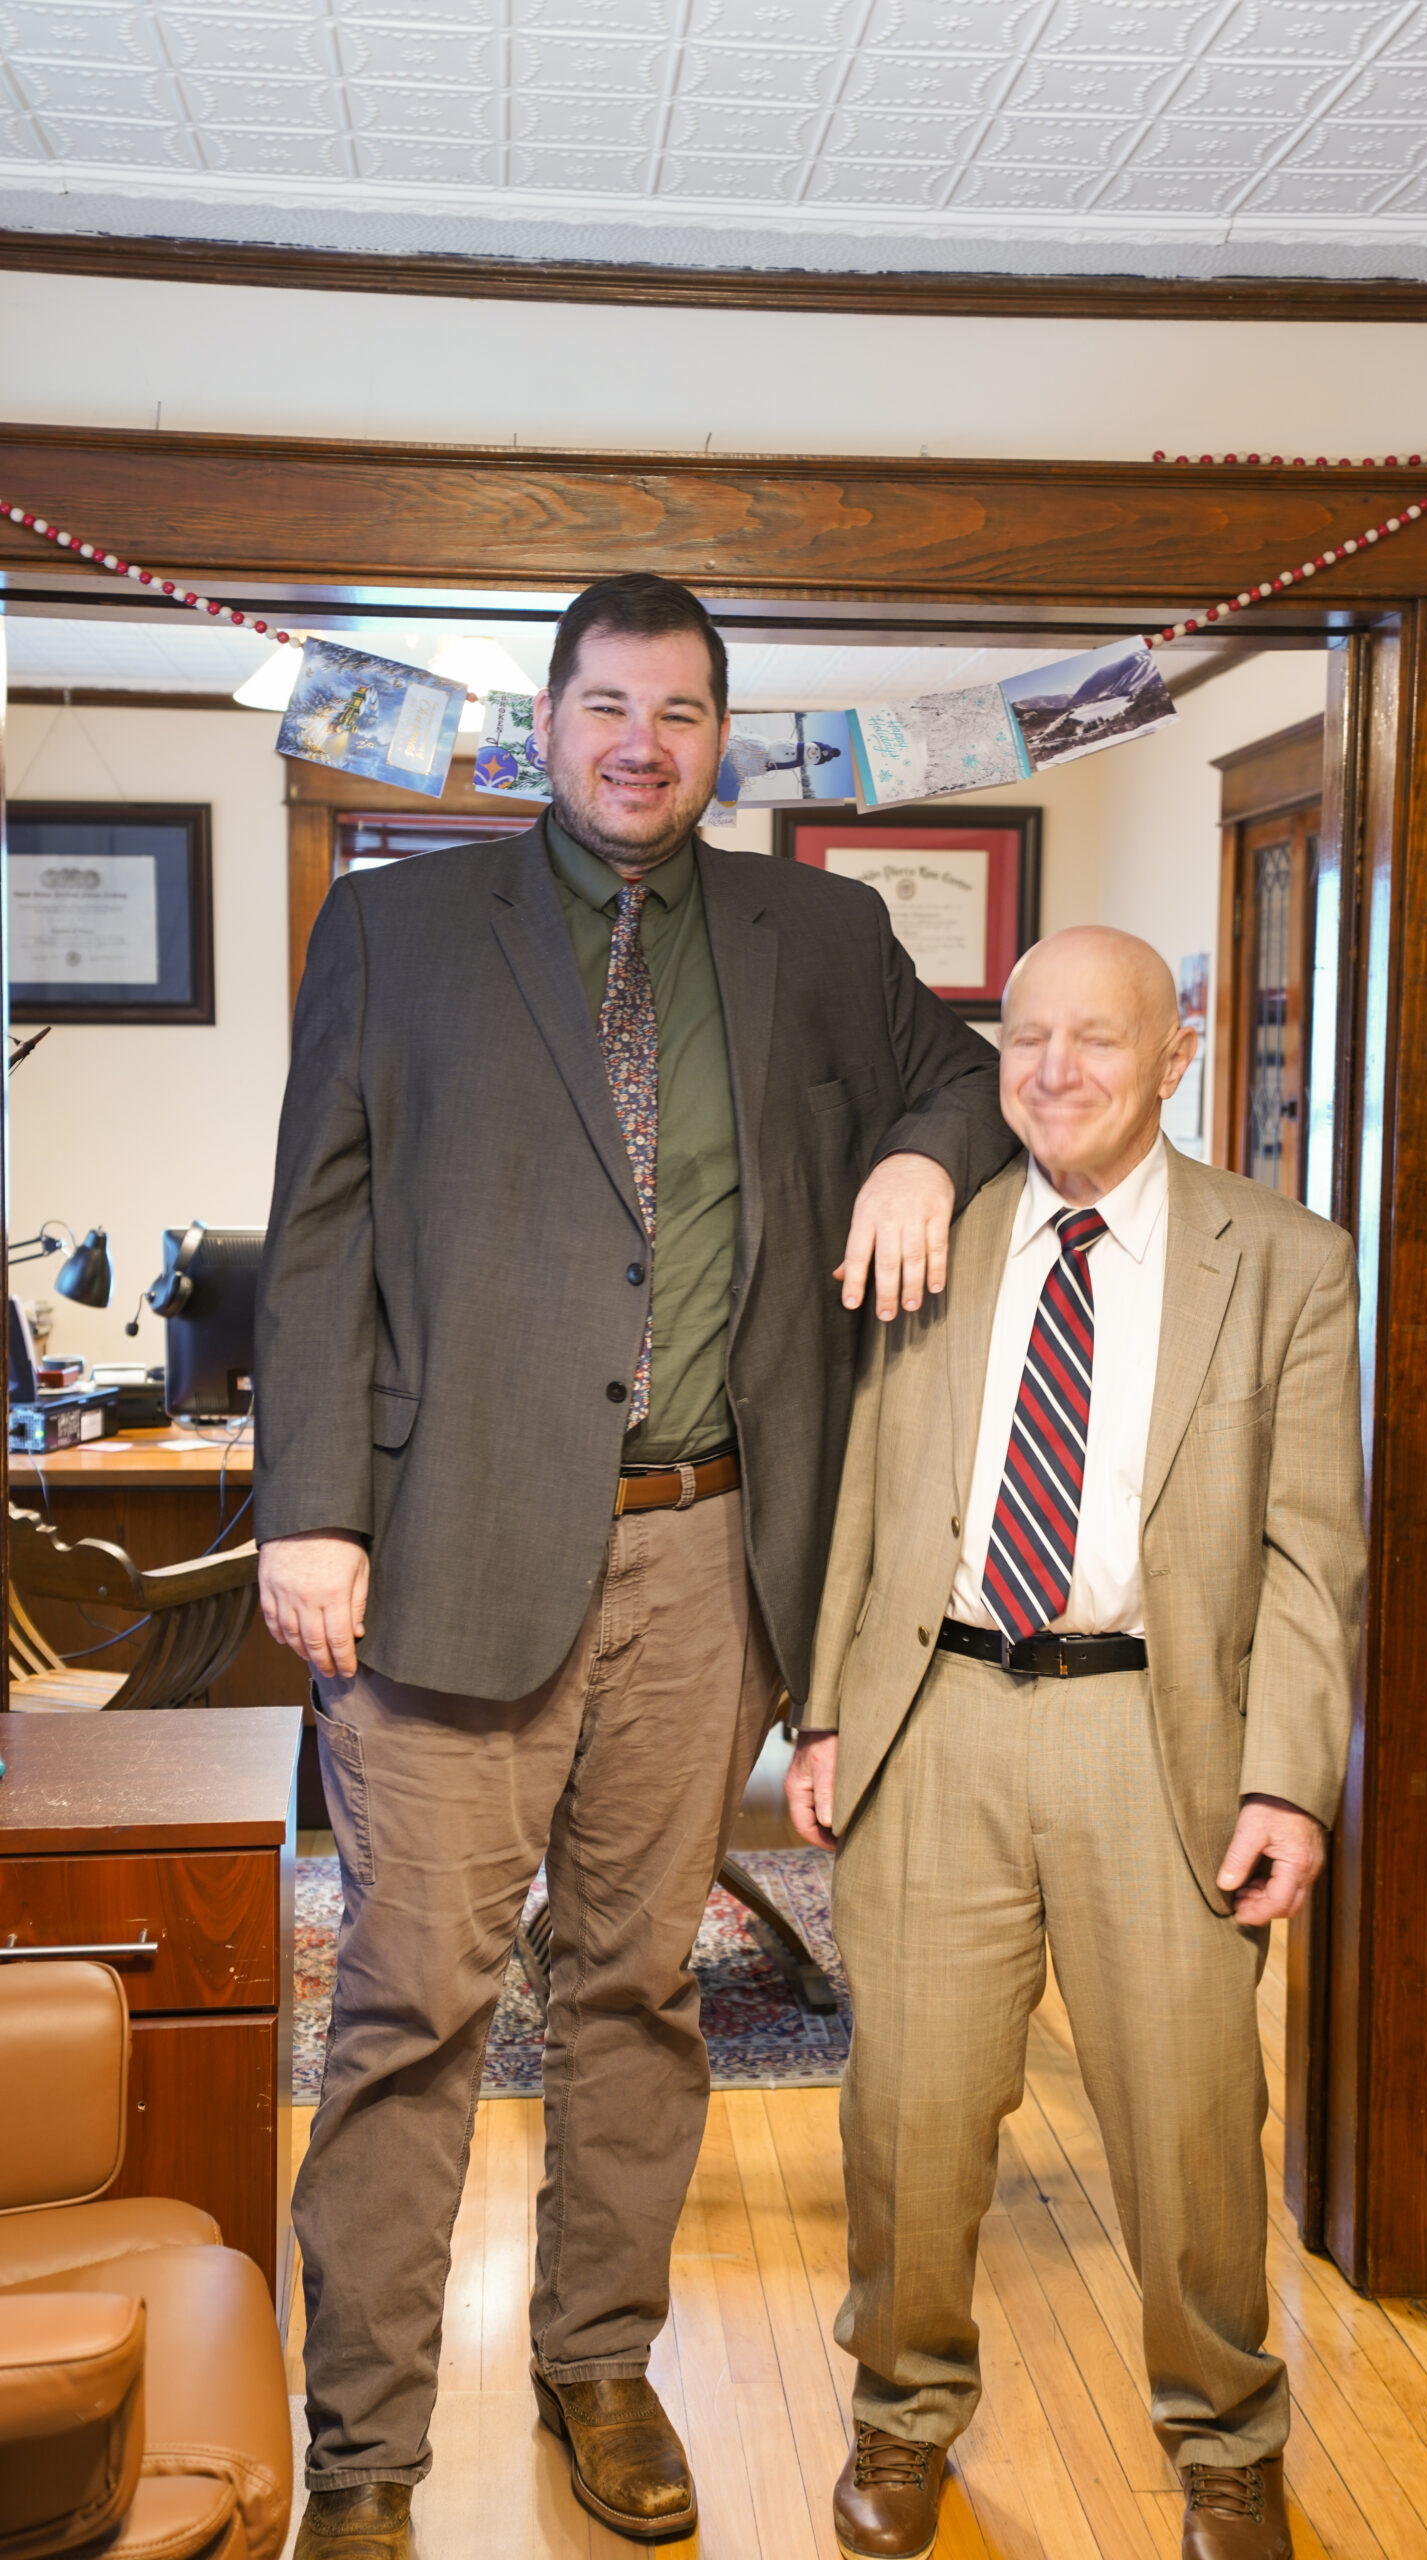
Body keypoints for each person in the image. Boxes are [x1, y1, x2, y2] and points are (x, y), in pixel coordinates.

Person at [254, 572, 1017, 2556]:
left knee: (634, 1988)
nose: (640, 743)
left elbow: (964, 1076)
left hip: (705, 1551)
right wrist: (310, 1504)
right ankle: (364, 2454)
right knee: (411, 2001)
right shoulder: (399, 923)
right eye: (607, 704)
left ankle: (600, 2361)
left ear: (721, 734)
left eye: (680, 711)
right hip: (439, 1554)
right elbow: (320, 1225)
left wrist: (928, 1151)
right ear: (545, 720)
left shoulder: (821, 932)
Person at [787, 927, 1364, 2560]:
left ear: (1176, 1054)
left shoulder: (1286, 1261)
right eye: (1026, 1038)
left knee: (1190, 2123)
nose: (1052, 1072)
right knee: (908, 2114)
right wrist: (830, 1712)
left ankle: (1228, 2442)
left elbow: (1317, 1553)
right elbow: (866, 1502)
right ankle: (900, 2423)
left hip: (1156, 1740)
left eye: (1095, 1041)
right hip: (938, 1725)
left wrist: (1288, 1780)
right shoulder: (933, 1238)